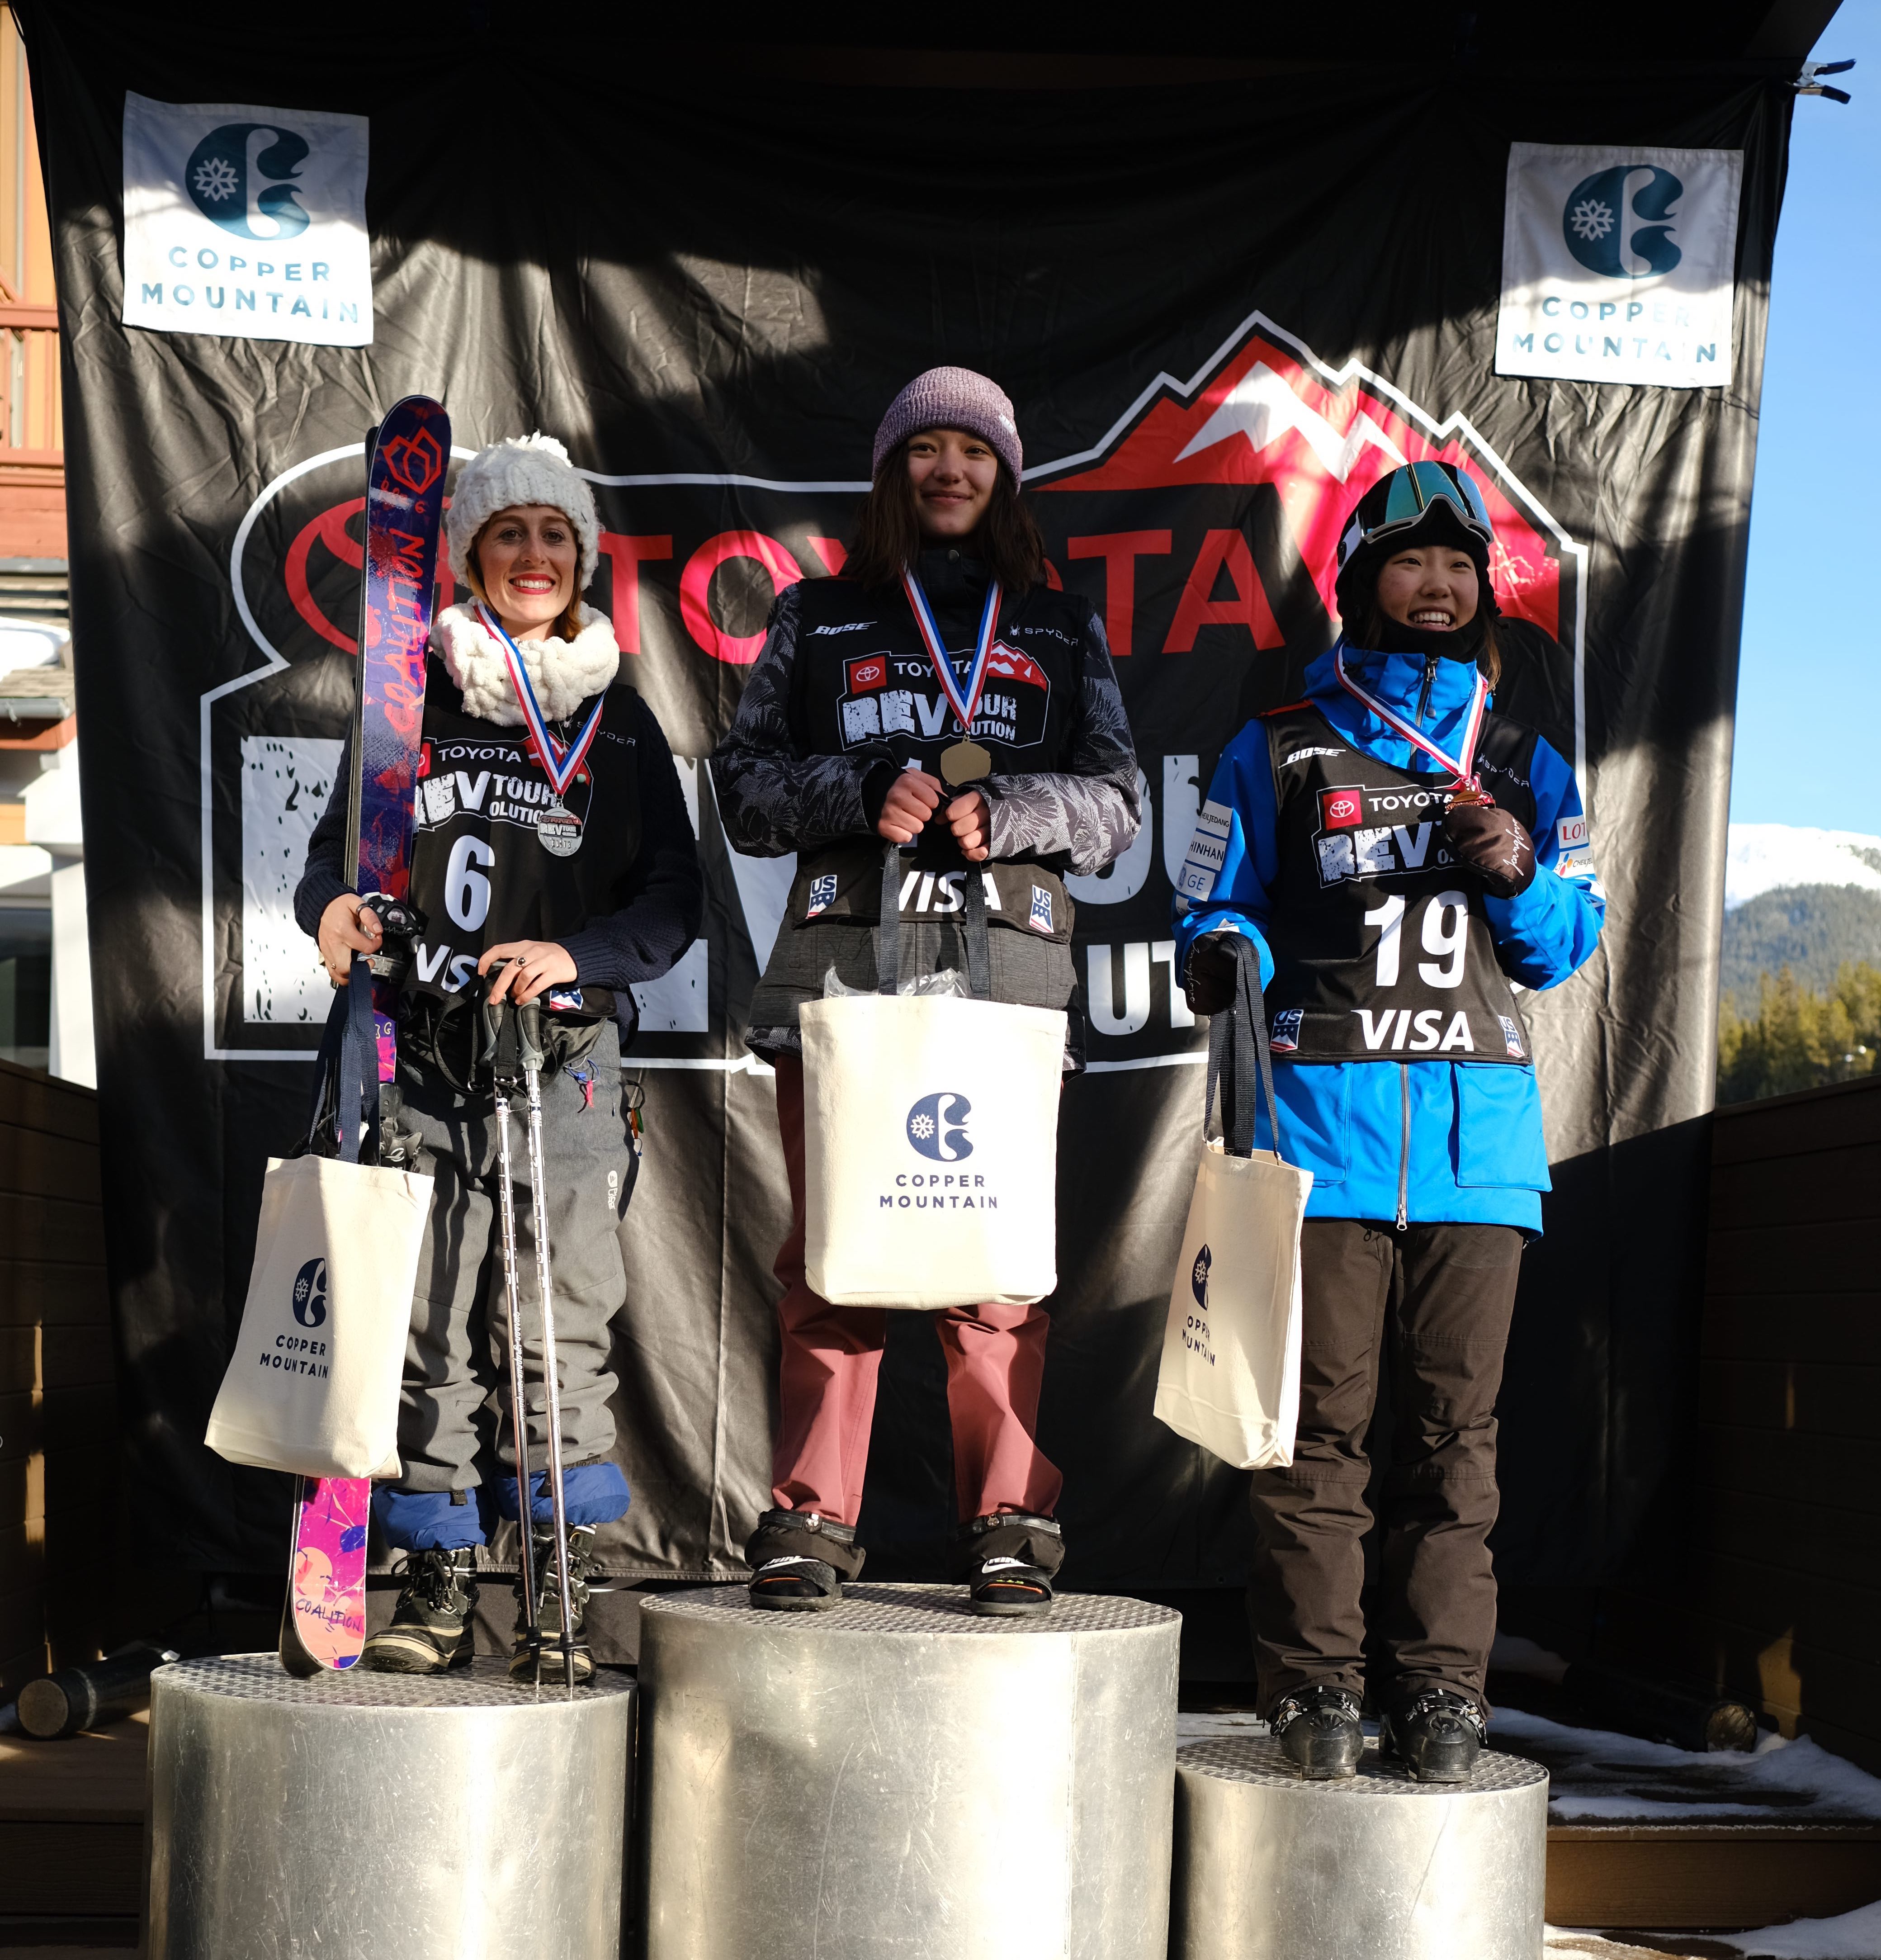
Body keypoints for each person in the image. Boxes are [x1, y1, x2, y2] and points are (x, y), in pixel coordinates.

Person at [1172, 460, 1604, 1780]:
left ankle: (1441, 1698)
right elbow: (1210, 901)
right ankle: (1309, 1692)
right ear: (1362, 580)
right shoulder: (1282, 739)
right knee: (1316, 1434)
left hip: (1481, 1155)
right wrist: (1228, 949)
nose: (1437, 584)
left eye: (1460, 566)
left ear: (1482, 591)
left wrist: (1521, 873)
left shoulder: (1527, 760)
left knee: (1454, 1445)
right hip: (1325, 1139)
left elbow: (1566, 946)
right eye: (1411, 562)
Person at [710, 366, 1140, 1615]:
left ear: (1004, 476)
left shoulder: (1057, 628)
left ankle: (1009, 1520)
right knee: (831, 1260)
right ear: (892, 472)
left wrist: (1011, 808)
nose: (949, 472)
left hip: (1004, 977)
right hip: (848, 970)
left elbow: (1118, 806)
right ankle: (810, 1521)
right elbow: (742, 788)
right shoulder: (821, 615)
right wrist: (861, 791)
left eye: (975, 452)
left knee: (994, 1271)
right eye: (925, 451)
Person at [295, 433, 703, 1681]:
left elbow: (672, 904)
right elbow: (335, 860)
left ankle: (563, 1582)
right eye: (511, 533)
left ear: (583, 559)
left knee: (553, 1319)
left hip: (561, 1061)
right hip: (419, 1046)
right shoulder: (404, 700)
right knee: (424, 1320)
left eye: (556, 536)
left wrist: (577, 956)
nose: (535, 556)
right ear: (470, 550)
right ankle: (430, 1575)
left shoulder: (622, 724)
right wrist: (333, 912)